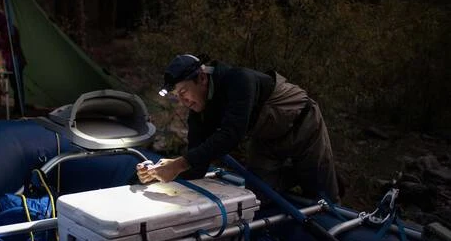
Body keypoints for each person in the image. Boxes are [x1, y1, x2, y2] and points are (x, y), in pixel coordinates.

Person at [136, 54, 341, 204]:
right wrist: (158, 174)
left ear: (202, 78)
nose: (183, 101)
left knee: (323, 196)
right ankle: (296, 174)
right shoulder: (198, 113)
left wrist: (179, 164)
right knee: (258, 197)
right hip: (266, 140)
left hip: (303, 125)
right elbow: (196, 166)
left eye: (184, 92)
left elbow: (231, 134)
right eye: (177, 96)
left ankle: (315, 176)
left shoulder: (239, 79)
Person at [0, 10, 27, 114]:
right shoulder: (6, 29)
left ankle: (20, 108)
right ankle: (19, 107)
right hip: (12, 60)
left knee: (17, 85)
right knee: (15, 85)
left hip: (15, 60)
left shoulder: (9, 29)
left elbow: (8, 44)